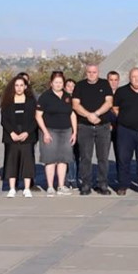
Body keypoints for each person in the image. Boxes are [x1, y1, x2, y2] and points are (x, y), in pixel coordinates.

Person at [72, 64, 113, 196]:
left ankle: (102, 184)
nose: (91, 74)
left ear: (98, 72)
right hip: (85, 126)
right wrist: (88, 115)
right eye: (89, 72)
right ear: (86, 72)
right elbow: (75, 105)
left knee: (103, 158)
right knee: (85, 157)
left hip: (103, 126)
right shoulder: (80, 85)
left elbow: (109, 102)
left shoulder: (104, 84)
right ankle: (86, 184)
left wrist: (96, 114)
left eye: (94, 72)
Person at [113, 68, 138, 195]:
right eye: (133, 77)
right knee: (124, 159)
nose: (136, 79)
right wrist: (125, 118)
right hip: (126, 131)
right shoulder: (121, 91)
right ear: (129, 78)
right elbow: (115, 108)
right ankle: (123, 185)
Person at [36, 72, 77, 197]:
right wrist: (45, 132)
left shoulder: (67, 96)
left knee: (63, 159)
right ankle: (50, 186)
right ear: (51, 83)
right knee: (50, 160)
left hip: (66, 131)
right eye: (56, 82)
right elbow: (38, 116)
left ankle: (61, 185)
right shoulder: (45, 96)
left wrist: (74, 132)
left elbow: (72, 114)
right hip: (50, 131)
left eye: (60, 82)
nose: (58, 85)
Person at [0, 75, 38, 198]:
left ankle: (27, 188)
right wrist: (11, 132)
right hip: (11, 135)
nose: (19, 88)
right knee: (11, 160)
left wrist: (27, 132)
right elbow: (4, 120)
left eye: (21, 85)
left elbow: (35, 119)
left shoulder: (31, 101)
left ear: (26, 87)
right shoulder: (7, 101)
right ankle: (12, 188)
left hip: (27, 135)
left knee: (27, 161)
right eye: (16, 85)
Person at [64, 79, 79, 189]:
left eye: (73, 85)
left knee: (77, 155)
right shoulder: (63, 99)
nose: (70, 88)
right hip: (66, 129)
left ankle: (74, 177)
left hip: (79, 129)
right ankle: (69, 179)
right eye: (68, 85)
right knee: (68, 156)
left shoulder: (78, 99)